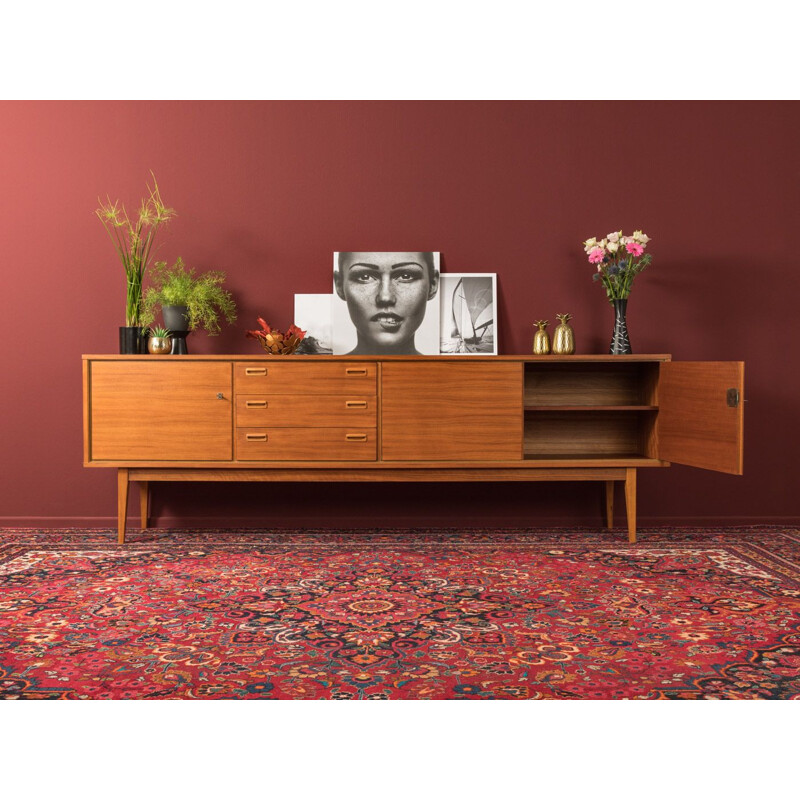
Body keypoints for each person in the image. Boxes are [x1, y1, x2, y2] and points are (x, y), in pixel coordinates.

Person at [333, 251, 439, 355]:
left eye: (406, 276)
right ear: (339, 286)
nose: (385, 297)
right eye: (365, 277)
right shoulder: (325, 371)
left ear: (432, 285)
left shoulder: (447, 372)